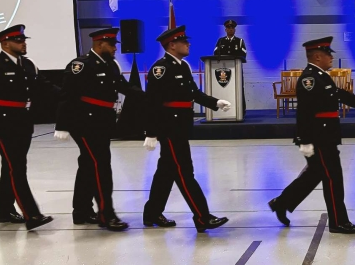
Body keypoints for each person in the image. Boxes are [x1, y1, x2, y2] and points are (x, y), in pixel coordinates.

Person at [268, 37, 355, 234]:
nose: (331, 57)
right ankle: (338, 221)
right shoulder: (309, 79)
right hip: (319, 137)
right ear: (317, 56)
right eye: (327, 54)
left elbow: (337, 93)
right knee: (333, 178)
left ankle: (281, 203)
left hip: (326, 135)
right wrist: (305, 140)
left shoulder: (321, 76)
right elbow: (304, 112)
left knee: (315, 174)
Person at [55, 28, 147, 231]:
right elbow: (67, 95)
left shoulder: (111, 65)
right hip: (84, 123)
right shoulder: (81, 65)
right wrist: (62, 125)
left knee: (88, 165)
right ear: (99, 44)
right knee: (100, 166)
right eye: (112, 44)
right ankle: (106, 214)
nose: (115, 48)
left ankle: (81, 210)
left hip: (103, 122)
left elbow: (125, 88)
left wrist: (149, 97)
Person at [142, 25, 232, 233]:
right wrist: (151, 132)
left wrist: (215, 102)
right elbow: (152, 103)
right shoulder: (161, 69)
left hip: (180, 128)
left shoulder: (182, 66)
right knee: (185, 173)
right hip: (169, 129)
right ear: (172, 45)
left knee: (165, 172)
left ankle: (152, 213)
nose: (188, 44)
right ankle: (202, 217)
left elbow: (193, 93)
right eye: (183, 41)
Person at [0, 25, 56, 230]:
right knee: (16, 168)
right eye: (18, 40)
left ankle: (5, 211)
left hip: (22, 123)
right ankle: (32, 215)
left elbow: (45, 87)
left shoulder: (28, 65)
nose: (23, 43)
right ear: (5, 43)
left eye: (23, 39)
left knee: (12, 167)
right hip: (0, 124)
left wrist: (69, 97)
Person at [213, 19, 247, 114]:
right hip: (224, 70)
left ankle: (241, 110)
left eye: (232, 28)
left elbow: (243, 54)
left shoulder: (239, 41)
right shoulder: (221, 41)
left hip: (236, 69)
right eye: (228, 28)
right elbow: (215, 53)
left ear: (235, 30)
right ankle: (226, 111)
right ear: (225, 30)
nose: (230, 29)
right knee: (226, 89)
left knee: (239, 88)